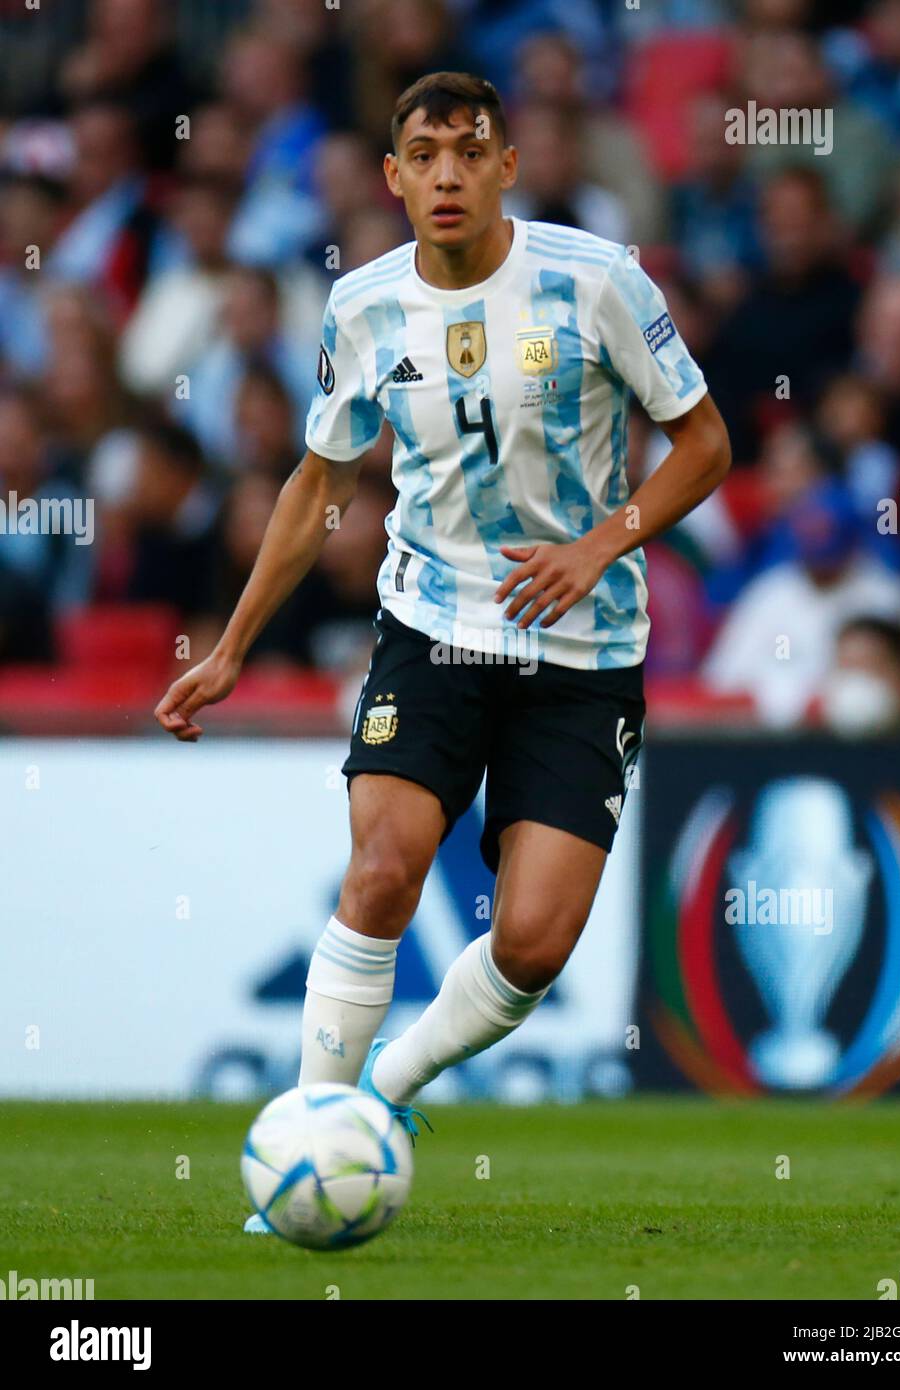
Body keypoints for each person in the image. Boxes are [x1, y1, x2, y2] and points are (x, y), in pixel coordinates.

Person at [153, 73, 731, 1231]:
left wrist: (598, 542)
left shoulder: (596, 280)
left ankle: (385, 1092)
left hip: (583, 645)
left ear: (508, 166)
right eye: (425, 155)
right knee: (379, 873)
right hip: (431, 626)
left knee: (530, 942)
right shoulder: (360, 307)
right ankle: (319, 1127)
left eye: (471, 152)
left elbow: (704, 441)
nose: (449, 175)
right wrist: (228, 648)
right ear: (393, 177)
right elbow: (320, 481)